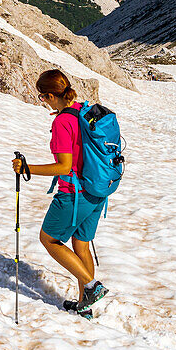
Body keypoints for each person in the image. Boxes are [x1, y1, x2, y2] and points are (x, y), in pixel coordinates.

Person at [12, 68, 108, 317]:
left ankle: (91, 286)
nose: (42, 102)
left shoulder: (62, 122)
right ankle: (84, 306)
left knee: (50, 240)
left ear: (51, 96)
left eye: (42, 97)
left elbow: (64, 166)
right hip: (96, 191)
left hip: (73, 194)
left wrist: (26, 168)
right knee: (81, 245)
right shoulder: (81, 112)